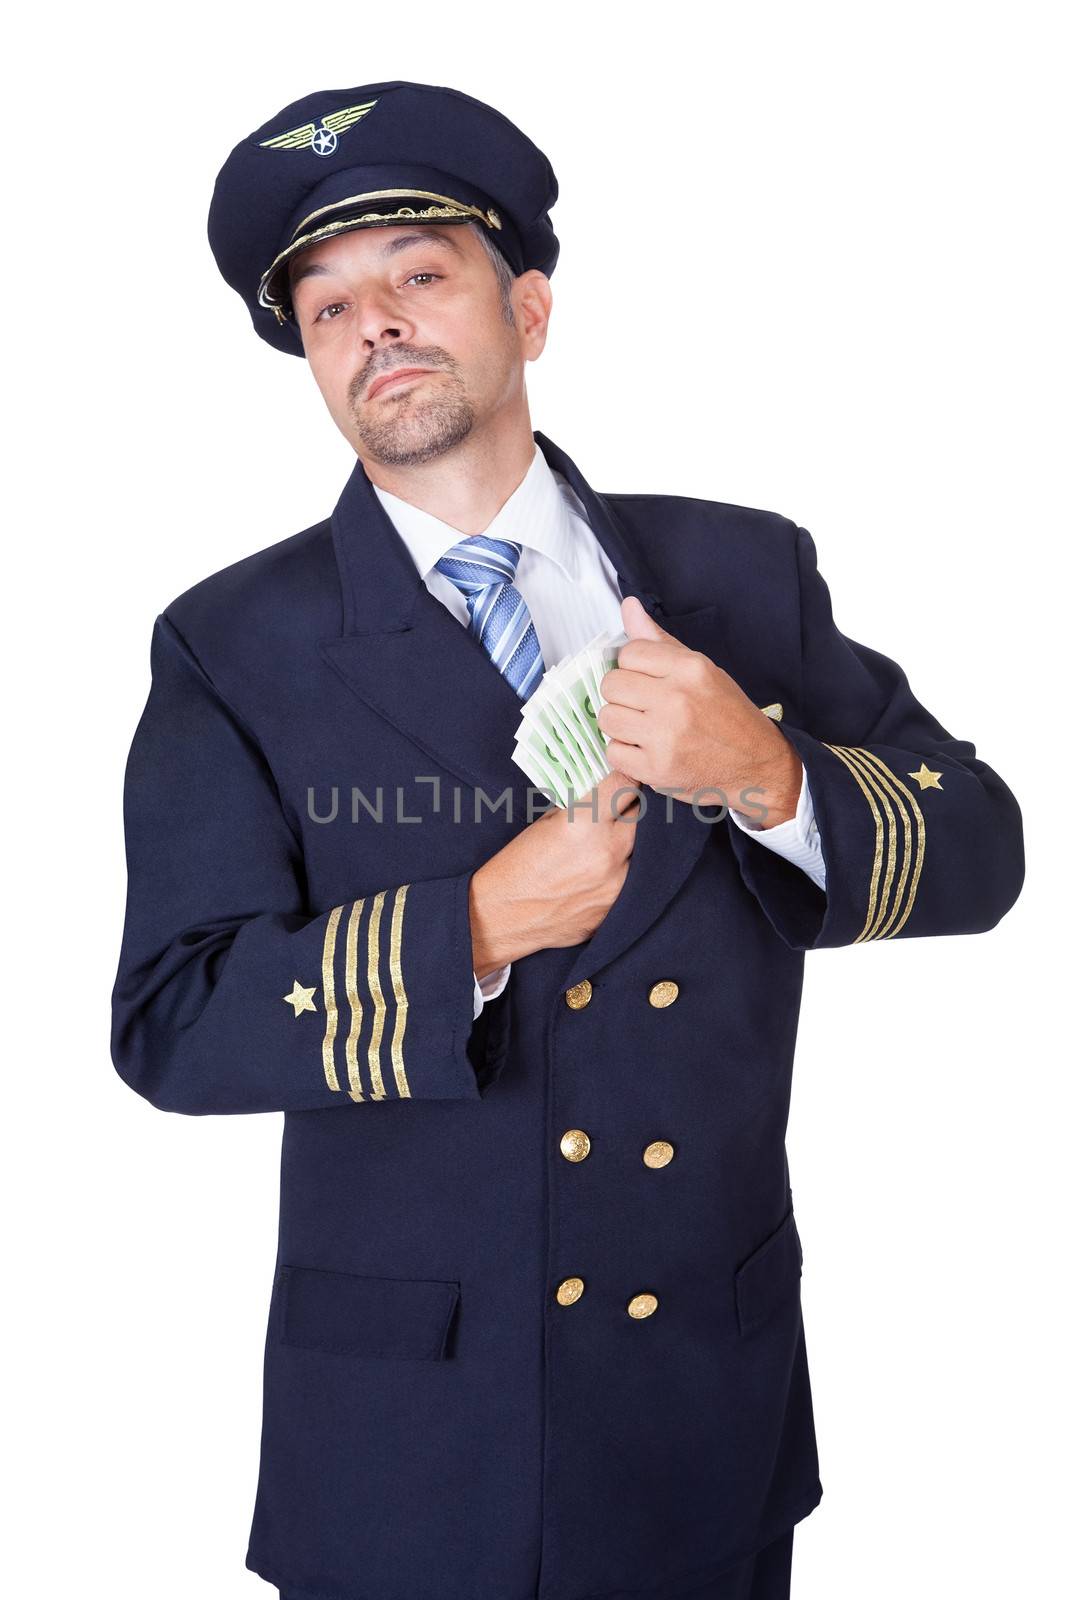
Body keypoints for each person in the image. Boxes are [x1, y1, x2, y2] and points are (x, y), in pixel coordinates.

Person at [110, 79, 1025, 1600]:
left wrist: (770, 772)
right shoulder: (232, 645)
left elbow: (983, 851)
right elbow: (172, 1023)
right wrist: (465, 928)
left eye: (419, 273)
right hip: (411, 1441)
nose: (376, 324)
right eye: (330, 307)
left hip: (697, 1418)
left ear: (527, 308)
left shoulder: (742, 572)